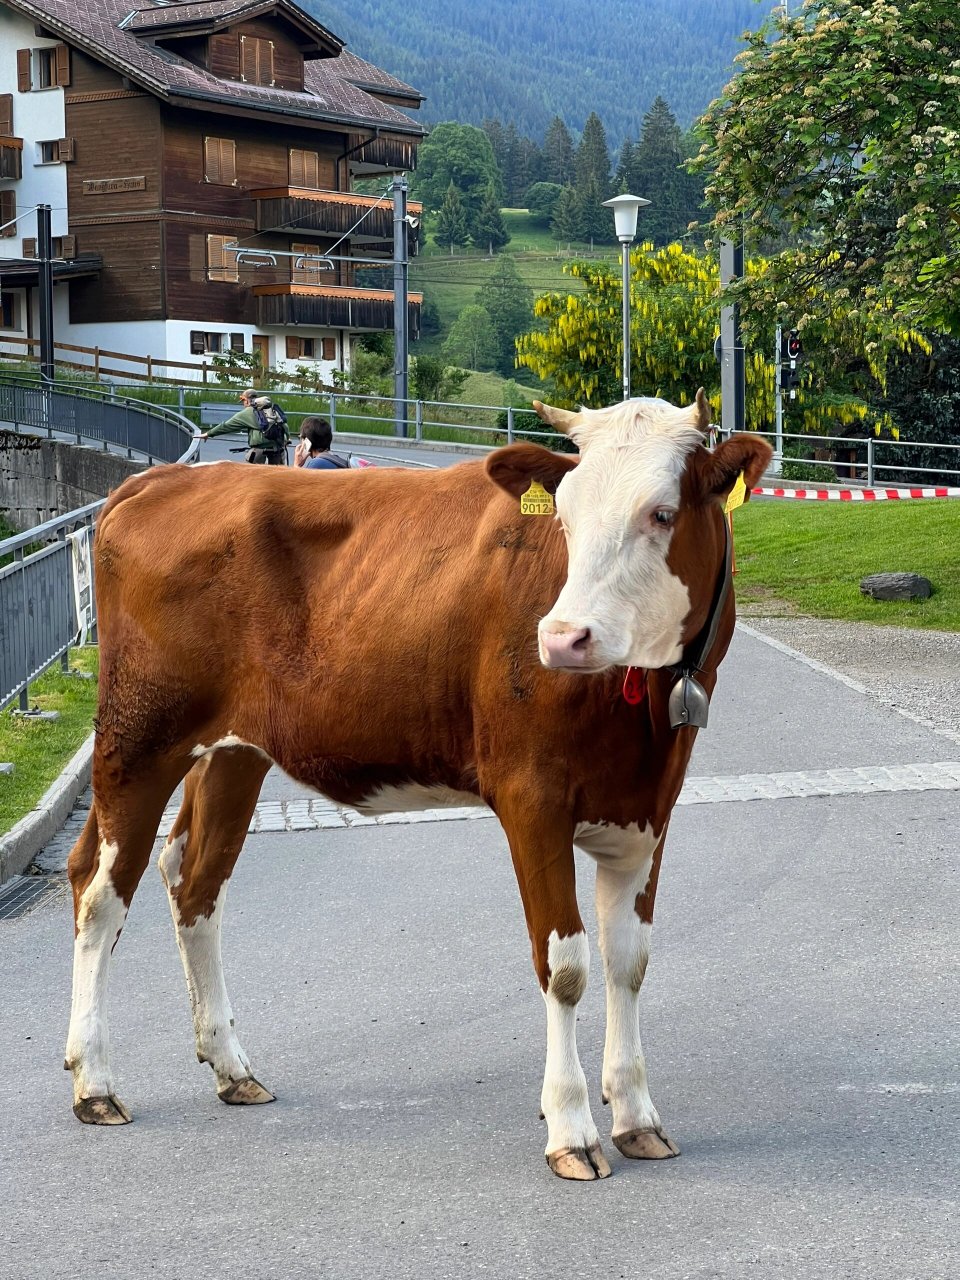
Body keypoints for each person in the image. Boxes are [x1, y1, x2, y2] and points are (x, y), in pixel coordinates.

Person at [198, 388, 286, 464]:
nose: (243, 404)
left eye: (243, 401)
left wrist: (209, 434)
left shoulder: (248, 412)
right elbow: (284, 424)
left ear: (247, 400)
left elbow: (226, 426)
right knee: (278, 479)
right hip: (277, 449)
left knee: (251, 478)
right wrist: (287, 438)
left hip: (259, 451)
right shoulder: (272, 408)